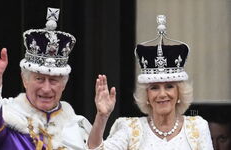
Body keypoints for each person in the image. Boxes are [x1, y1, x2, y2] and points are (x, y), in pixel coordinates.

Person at [0, 7, 91, 150]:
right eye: (39, 79)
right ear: (25, 80)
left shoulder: (77, 128)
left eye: (54, 80)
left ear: (64, 84)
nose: (46, 88)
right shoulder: (8, 117)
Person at [87, 16, 214, 150]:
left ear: (179, 92)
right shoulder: (130, 129)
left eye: (169, 86)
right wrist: (102, 116)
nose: (162, 94)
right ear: (146, 94)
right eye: (154, 88)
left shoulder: (197, 128)